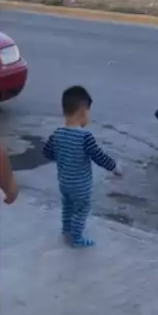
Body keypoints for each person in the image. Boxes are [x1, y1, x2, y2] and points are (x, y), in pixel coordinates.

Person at [43, 86, 121, 247]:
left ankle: (66, 230)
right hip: (81, 186)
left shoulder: (57, 134)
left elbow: (47, 152)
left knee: (68, 206)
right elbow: (98, 156)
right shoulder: (85, 137)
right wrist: (114, 167)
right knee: (81, 210)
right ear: (83, 111)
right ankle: (77, 239)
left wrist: (60, 157)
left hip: (64, 182)